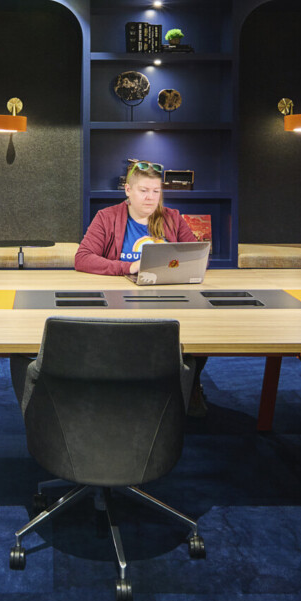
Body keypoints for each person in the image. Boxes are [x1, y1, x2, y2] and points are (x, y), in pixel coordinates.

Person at [72, 159, 208, 416]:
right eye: (144, 191)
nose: (150, 197)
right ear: (128, 191)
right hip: (122, 299)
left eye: (156, 191)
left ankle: (191, 386)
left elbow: (198, 255)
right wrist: (129, 268)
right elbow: (83, 258)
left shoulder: (173, 218)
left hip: (169, 297)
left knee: (201, 327)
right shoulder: (107, 217)